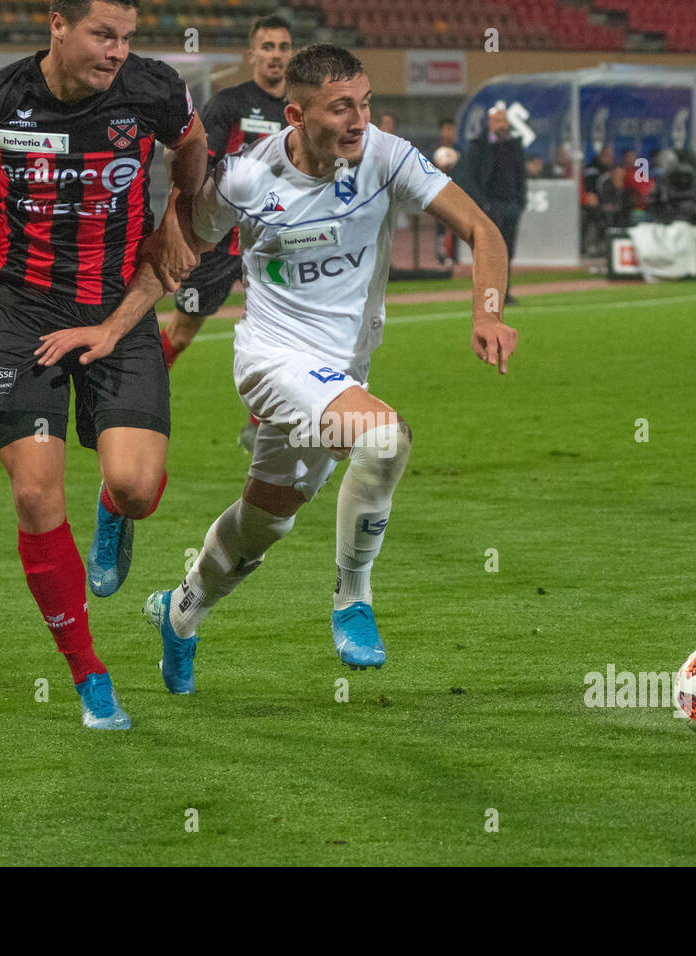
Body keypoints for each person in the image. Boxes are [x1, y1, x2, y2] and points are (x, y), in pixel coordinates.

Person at [137, 43, 518, 693]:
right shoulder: (248, 179)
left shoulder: (384, 157)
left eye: (365, 104)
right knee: (385, 439)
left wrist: (487, 312)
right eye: (340, 108)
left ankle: (183, 609)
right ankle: (353, 600)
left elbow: (482, 230)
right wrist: (124, 324)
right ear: (295, 113)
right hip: (272, 359)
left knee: (266, 524)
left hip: (341, 377)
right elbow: (184, 238)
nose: (358, 120)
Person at [0, 0, 209, 730]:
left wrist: (179, 215)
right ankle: (89, 675)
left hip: (117, 310)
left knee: (136, 486)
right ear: (57, 26)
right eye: (103, 35)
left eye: (128, 37)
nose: (117, 51)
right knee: (37, 497)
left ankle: (115, 513)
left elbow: (191, 143)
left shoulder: (154, 88)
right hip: (21, 318)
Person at [165, 13, 292, 452]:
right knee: (182, 331)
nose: (276, 55)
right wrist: (183, 226)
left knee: (274, 335)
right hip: (221, 241)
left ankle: (260, 424)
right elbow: (200, 161)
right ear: (252, 53)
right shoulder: (230, 103)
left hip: (277, 242)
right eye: (268, 47)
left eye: (283, 47)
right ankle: (135, 404)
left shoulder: (300, 110)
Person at [455, 106, 526, 303]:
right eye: (498, 121)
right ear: (489, 123)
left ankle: (504, 292)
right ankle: (488, 294)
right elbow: (468, 178)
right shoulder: (478, 147)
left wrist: (520, 203)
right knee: (490, 253)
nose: (502, 125)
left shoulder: (514, 146)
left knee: (507, 252)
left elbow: (521, 176)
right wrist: (484, 204)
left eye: (504, 121)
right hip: (490, 207)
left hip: (511, 206)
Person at [432, 118, 459, 265]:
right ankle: (442, 256)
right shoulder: (434, 151)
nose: (448, 133)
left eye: (451, 129)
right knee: (441, 227)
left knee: (456, 226)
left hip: (456, 195)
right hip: (438, 195)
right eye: (445, 129)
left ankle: (454, 256)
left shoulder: (460, 151)